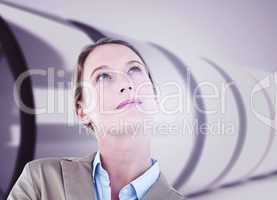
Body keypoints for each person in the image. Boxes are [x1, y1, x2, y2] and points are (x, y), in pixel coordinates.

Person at [7, 37, 186, 200]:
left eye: (134, 69)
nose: (126, 84)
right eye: (103, 76)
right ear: (82, 110)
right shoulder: (40, 181)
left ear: (155, 97)